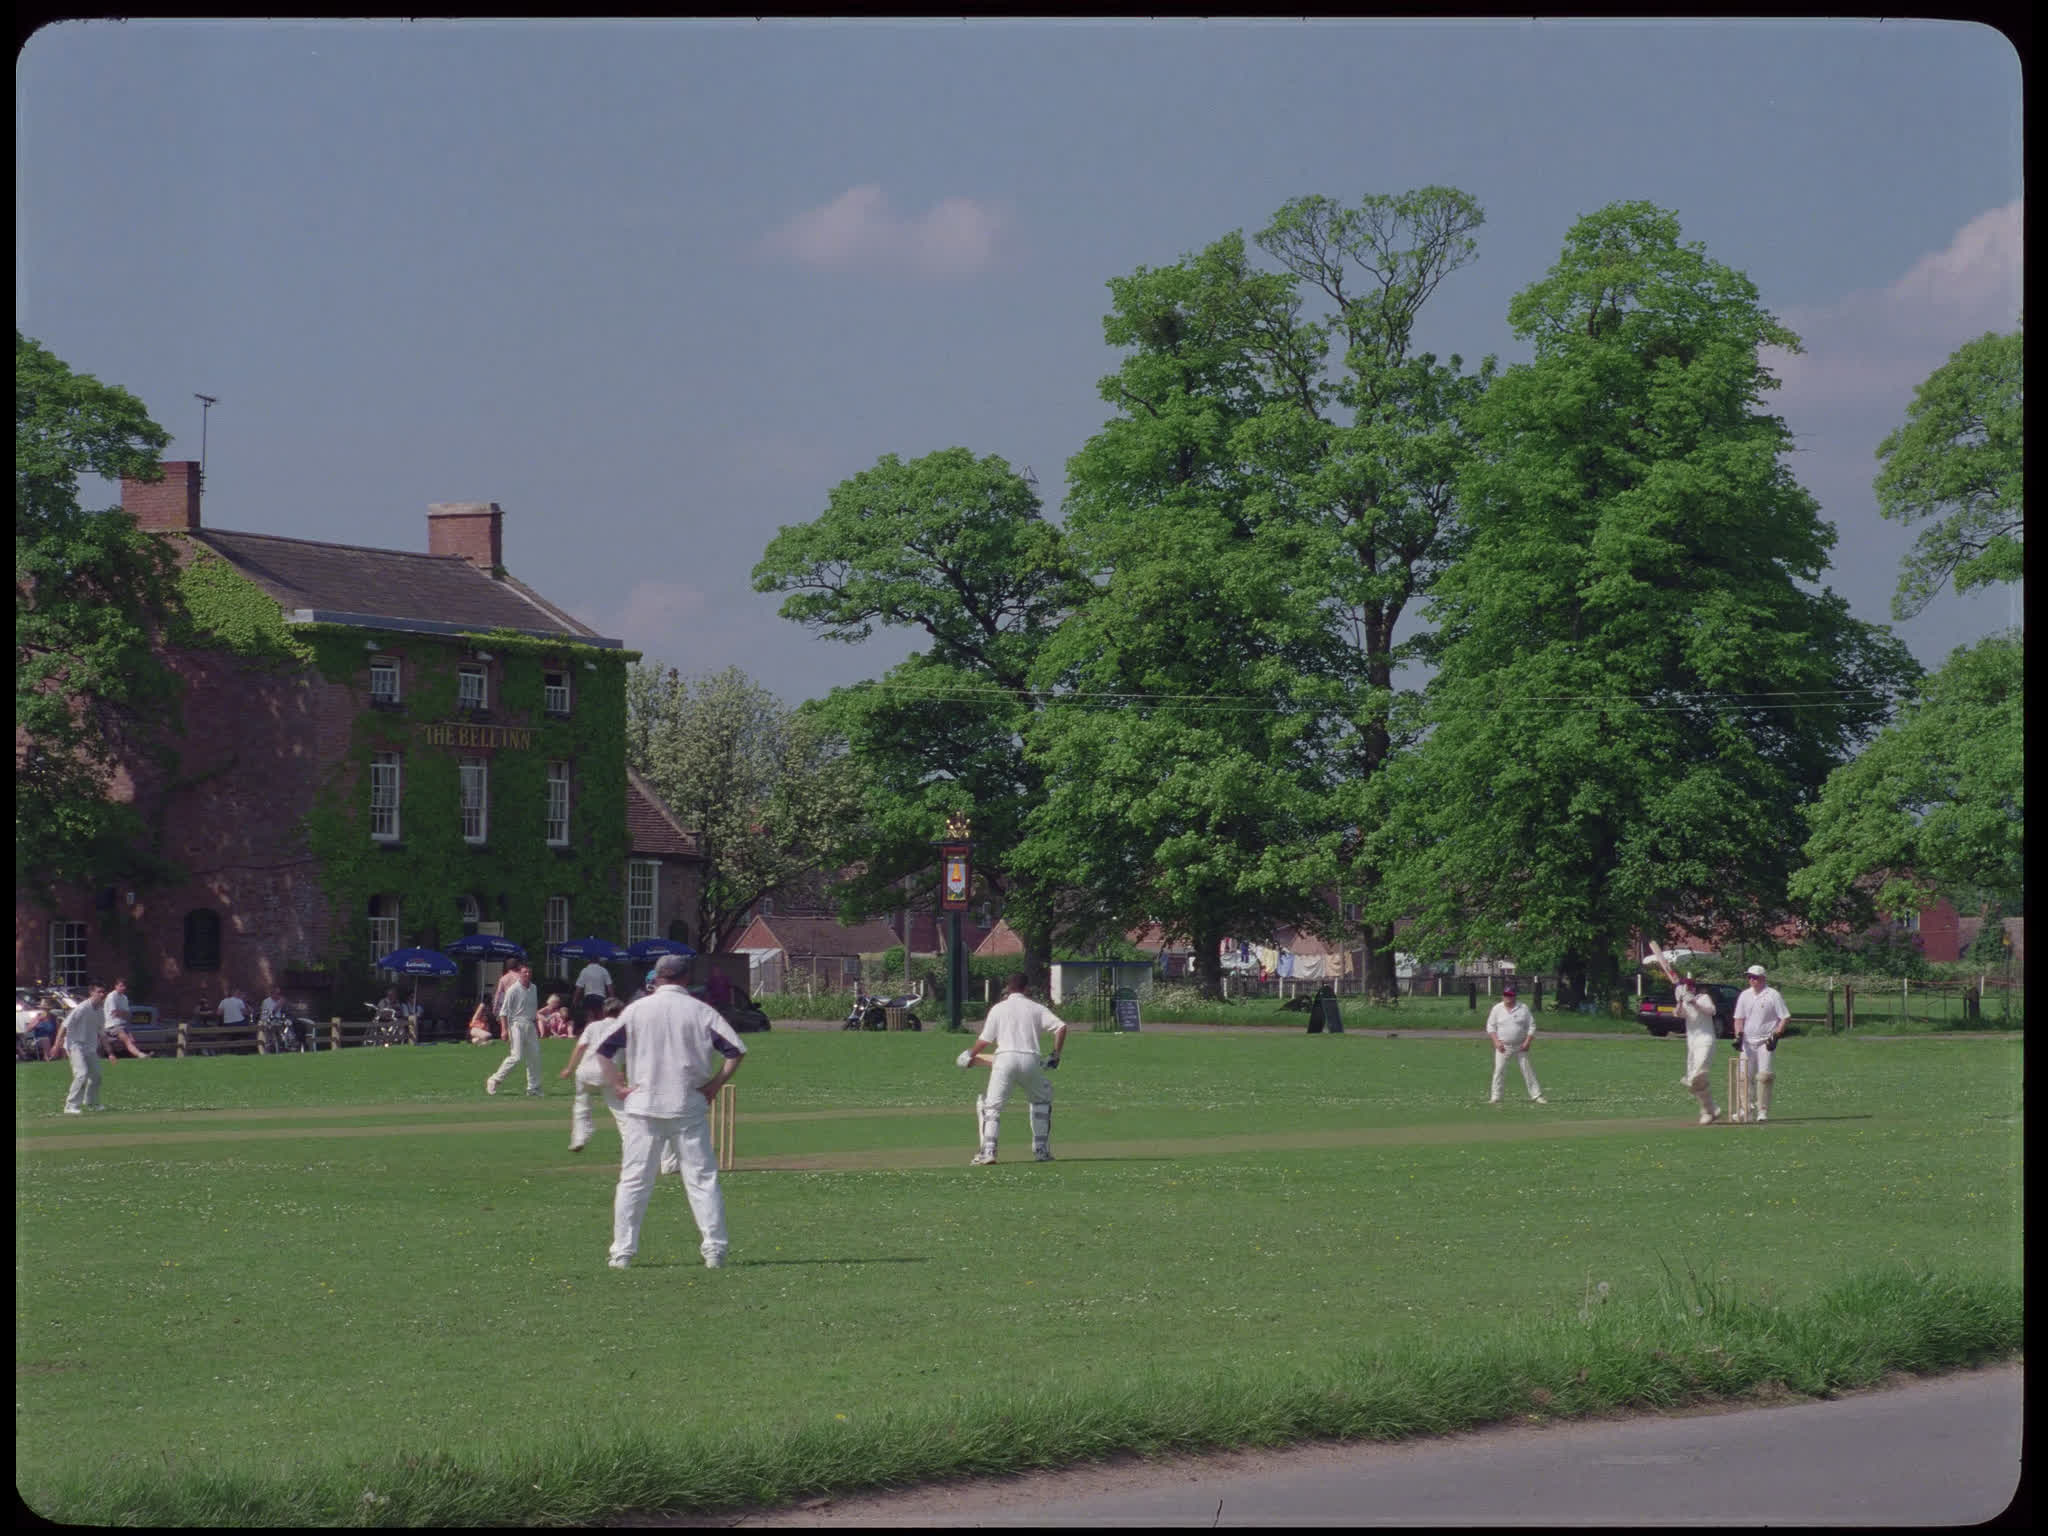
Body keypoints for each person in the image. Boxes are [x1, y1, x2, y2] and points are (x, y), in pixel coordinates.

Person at [594, 952, 746, 1270]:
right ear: (686, 978)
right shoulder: (700, 1011)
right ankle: (714, 1251)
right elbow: (735, 1051)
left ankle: (622, 1253)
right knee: (702, 1179)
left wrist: (618, 1085)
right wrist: (716, 1084)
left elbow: (604, 1051)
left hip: (643, 1105)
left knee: (634, 1180)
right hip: (686, 1104)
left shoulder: (636, 1010)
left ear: (657, 977)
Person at [959, 973, 1069, 1164]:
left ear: (1008, 988)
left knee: (991, 1107)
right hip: (1030, 1059)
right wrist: (1055, 1054)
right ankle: (1041, 1151)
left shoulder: (998, 1009)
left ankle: (989, 1152)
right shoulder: (1036, 1008)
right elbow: (1061, 1027)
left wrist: (970, 1054)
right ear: (1026, 989)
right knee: (1041, 1101)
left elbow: (985, 1040)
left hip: (1005, 1060)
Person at [562, 997, 628, 1152]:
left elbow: (580, 1047)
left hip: (586, 1071)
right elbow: (625, 1054)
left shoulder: (593, 1026)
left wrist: (569, 1068)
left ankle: (579, 1138)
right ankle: (630, 1142)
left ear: (604, 1011)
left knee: (581, 1105)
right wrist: (622, 1074)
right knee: (620, 1110)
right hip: (608, 1071)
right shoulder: (623, 1028)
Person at [1732, 963, 1791, 1124]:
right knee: (1744, 1076)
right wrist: (1738, 1036)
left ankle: (1762, 1111)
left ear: (1763, 978)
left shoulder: (1773, 995)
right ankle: (1745, 1109)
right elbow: (1738, 1018)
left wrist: (1776, 1036)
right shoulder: (1744, 995)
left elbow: (1784, 1017)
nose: (1752, 980)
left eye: (1755, 977)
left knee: (1764, 1076)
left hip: (1766, 1041)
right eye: (1749, 977)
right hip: (1748, 1042)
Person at [485, 962, 543, 1097]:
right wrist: (504, 1030)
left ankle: (533, 1088)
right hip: (516, 1025)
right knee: (516, 1057)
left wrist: (536, 1026)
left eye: (529, 972)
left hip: (530, 1025)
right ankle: (494, 1080)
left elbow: (533, 1009)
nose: (527, 975)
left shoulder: (533, 988)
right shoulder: (513, 990)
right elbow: (503, 1012)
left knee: (534, 1057)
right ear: (519, 974)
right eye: (525, 972)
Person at [1484, 984, 1546, 1105]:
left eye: (1510, 995)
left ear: (1515, 996)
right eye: (1506, 995)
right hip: (1503, 1046)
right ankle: (1495, 1096)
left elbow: (1531, 1026)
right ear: (1503, 996)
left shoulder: (1523, 1008)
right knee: (1499, 1070)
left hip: (1520, 1045)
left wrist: (1527, 1042)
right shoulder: (1497, 1008)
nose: (1508, 997)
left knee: (1527, 1070)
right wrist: (1496, 1042)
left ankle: (1537, 1095)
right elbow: (1490, 1026)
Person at [52, 984, 109, 1114]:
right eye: (99, 992)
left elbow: (101, 1032)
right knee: (81, 1074)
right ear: (91, 993)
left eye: (103, 992)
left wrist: (110, 1052)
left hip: (89, 1047)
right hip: (75, 1045)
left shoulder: (100, 1010)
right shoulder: (82, 1008)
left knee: (96, 1076)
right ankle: (70, 1106)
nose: (102, 994)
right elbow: (64, 1026)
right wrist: (56, 1045)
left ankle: (91, 1103)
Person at [101, 977, 152, 1059]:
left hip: (122, 1025)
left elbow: (128, 1015)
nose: (123, 988)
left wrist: (121, 1013)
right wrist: (123, 1013)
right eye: (121, 986)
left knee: (132, 1040)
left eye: (124, 986)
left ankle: (138, 1059)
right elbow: (114, 1013)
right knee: (127, 1040)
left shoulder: (124, 998)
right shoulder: (111, 996)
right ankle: (142, 1056)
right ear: (116, 986)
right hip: (112, 1026)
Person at [573, 957, 614, 1027]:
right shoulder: (603, 970)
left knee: (590, 1018)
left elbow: (579, 988)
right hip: (600, 998)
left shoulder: (585, 970)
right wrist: (612, 1000)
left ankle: (589, 1035)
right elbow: (610, 987)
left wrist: (575, 1000)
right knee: (601, 1018)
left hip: (589, 997)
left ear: (589, 960)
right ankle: (601, 1035)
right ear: (598, 960)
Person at [260, 985, 300, 1051]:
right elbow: (269, 1016)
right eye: (277, 994)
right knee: (281, 1027)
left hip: (281, 1021)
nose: (279, 996)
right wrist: (277, 1006)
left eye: (279, 994)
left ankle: (292, 1044)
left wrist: (285, 1006)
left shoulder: (282, 1000)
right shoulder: (266, 1002)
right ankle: (282, 1044)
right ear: (272, 993)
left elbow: (289, 1012)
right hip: (269, 1022)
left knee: (291, 1024)